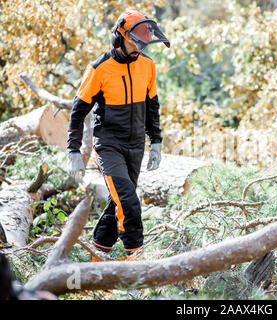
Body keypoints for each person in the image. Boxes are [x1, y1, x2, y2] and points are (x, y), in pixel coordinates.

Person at [66, 9, 170, 261]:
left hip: (136, 145)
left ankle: (96, 256)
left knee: (119, 203)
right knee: (129, 203)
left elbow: (152, 105)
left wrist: (155, 141)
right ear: (119, 38)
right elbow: (78, 111)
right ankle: (137, 261)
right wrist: (73, 151)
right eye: (135, 44)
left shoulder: (147, 65)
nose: (139, 49)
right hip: (109, 144)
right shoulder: (99, 69)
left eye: (143, 44)